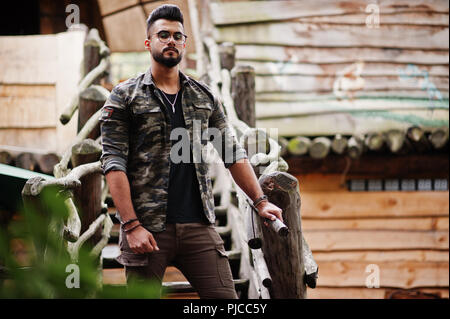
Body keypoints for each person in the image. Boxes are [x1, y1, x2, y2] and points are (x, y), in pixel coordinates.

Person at [100, 4, 283, 299]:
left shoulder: (204, 95)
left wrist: (260, 202)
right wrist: (131, 225)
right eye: (163, 35)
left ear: (185, 43)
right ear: (148, 43)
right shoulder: (124, 96)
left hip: (199, 226)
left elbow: (232, 154)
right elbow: (113, 163)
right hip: (147, 227)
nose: (170, 40)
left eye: (177, 35)